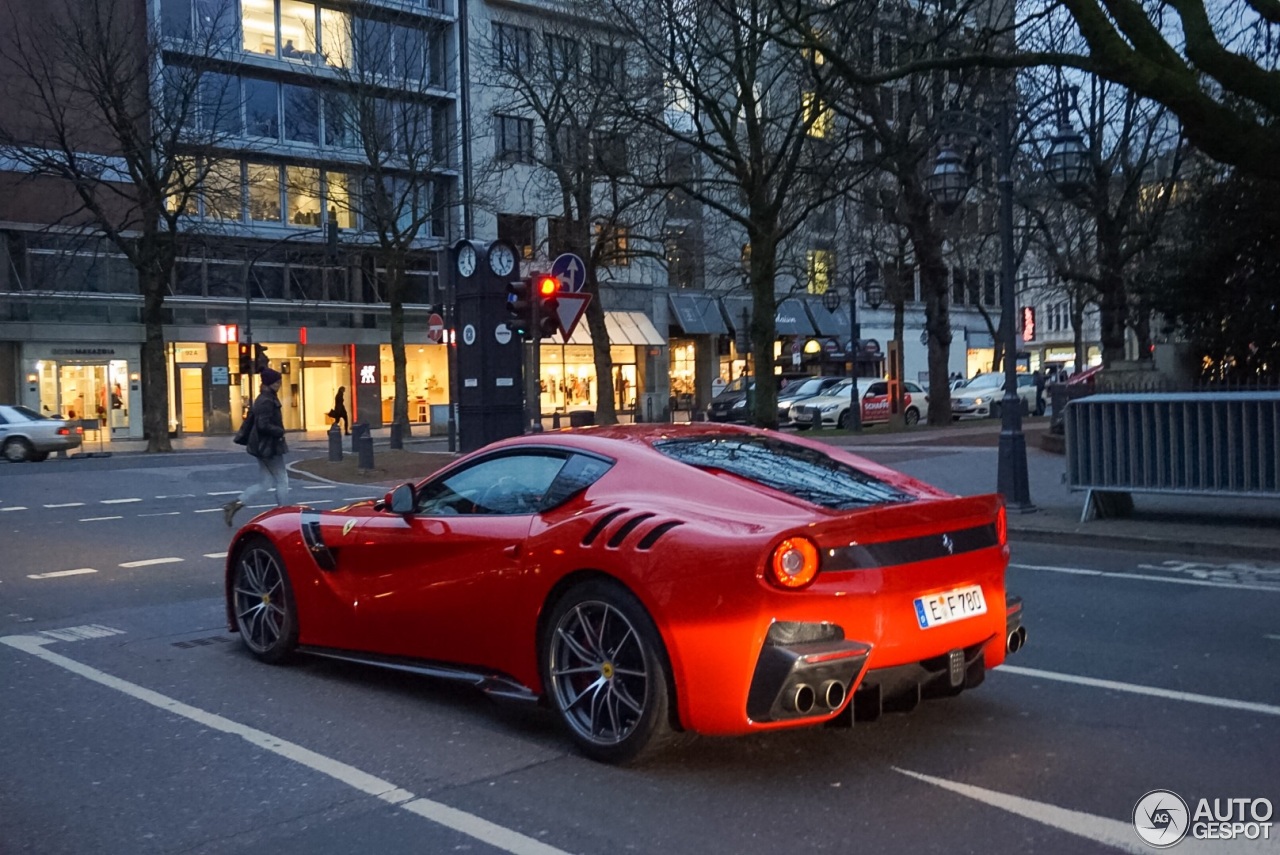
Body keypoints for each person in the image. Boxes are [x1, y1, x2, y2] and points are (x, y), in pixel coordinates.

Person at [223, 367, 290, 527]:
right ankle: (284, 513)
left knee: (266, 482)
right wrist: (280, 431)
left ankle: (235, 505)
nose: (280, 384)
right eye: (277, 382)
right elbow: (263, 424)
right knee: (282, 480)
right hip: (268, 446)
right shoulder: (267, 400)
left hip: (262, 446)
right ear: (270, 383)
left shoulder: (264, 398)